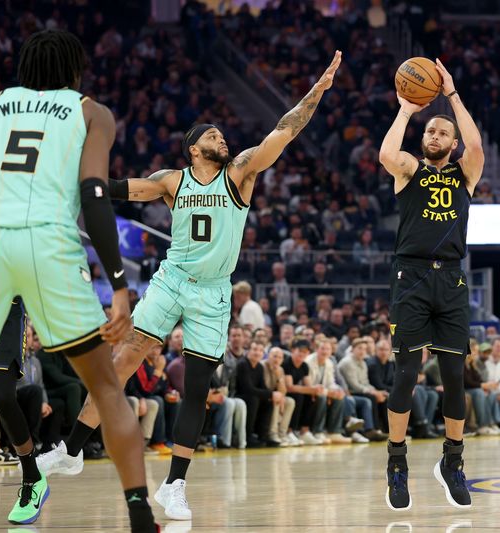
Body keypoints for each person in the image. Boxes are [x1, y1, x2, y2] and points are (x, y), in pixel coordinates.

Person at [35, 49, 343, 521]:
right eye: (213, 135)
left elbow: (282, 131)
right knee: (123, 359)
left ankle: (174, 483)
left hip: (215, 291)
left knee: (198, 385)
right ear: (195, 147)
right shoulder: (171, 181)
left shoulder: (240, 174)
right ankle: (73, 449)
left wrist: (315, 94)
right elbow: (117, 188)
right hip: (173, 278)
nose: (223, 138)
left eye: (221, 134)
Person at [0, 30, 156, 531]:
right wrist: (120, 283)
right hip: (48, 246)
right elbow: (94, 195)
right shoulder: (90, 112)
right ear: (76, 70)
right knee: (107, 388)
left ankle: (33, 474)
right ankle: (140, 517)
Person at [379, 59, 484, 510]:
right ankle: (397, 465)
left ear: (453, 143)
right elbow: (386, 154)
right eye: (431, 131)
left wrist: (453, 96)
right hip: (411, 277)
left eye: (443, 133)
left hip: (452, 279)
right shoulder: (409, 170)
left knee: (455, 378)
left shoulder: (466, 173)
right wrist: (406, 109)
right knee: (406, 376)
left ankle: (452, 462)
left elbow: (476, 143)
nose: (435, 136)